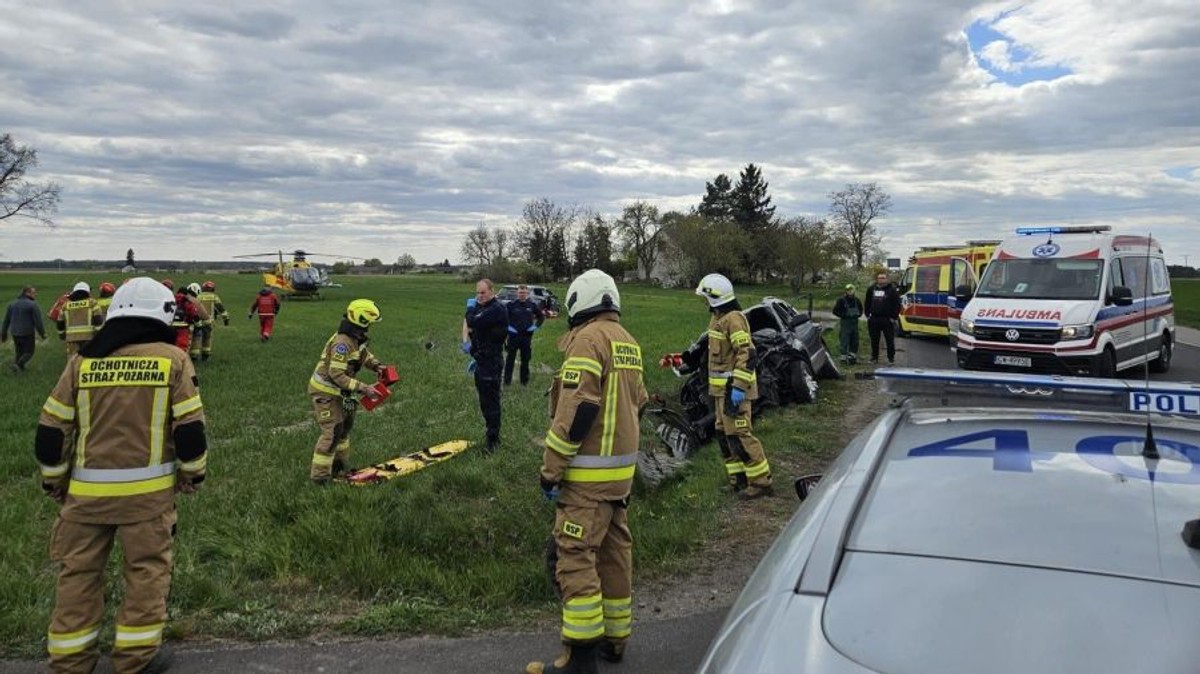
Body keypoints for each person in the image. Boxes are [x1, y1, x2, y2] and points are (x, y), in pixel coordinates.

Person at [35, 277, 207, 674]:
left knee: (77, 575)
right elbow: (191, 430)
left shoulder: (83, 361)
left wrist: (54, 481)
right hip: (147, 501)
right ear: (164, 314)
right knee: (146, 573)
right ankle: (136, 659)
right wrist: (192, 476)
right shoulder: (173, 359)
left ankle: (70, 659)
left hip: (84, 499)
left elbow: (51, 429)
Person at [526, 269, 648, 674]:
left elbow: (579, 408)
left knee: (574, 557)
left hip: (586, 483)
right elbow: (640, 403)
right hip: (619, 479)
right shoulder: (628, 341)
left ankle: (578, 660)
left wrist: (551, 469)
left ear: (579, 302)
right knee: (615, 557)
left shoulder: (586, 339)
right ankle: (615, 642)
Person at [695, 273, 772, 499]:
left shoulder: (734, 319)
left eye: (705, 297)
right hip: (720, 392)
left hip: (734, 391)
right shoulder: (717, 319)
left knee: (739, 433)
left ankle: (761, 482)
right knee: (724, 434)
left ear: (715, 298)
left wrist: (738, 386)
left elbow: (747, 353)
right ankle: (738, 480)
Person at [307, 299, 387, 484]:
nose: (370, 327)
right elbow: (336, 374)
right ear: (361, 320)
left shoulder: (356, 338)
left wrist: (377, 366)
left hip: (344, 393)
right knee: (332, 431)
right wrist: (363, 388)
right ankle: (319, 478)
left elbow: (364, 355)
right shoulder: (342, 343)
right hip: (326, 392)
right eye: (369, 322)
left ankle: (340, 466)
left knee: (345, 428)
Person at [461, 279, 509, 453]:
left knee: (491, 403)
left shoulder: (496, 309)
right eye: (477, 293)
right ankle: (490, 434)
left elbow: (472, 321)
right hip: (481, 360)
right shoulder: (484, 307)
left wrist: (470, 309)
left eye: (483, 293)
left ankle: (493, 442)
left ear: (492, 291)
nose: (479, 296)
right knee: (484, 401)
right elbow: (468, 324)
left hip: (491, 362)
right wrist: (468, 343)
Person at [504, 284, 545, 386]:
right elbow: (502, 317)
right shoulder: (511, 305)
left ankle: (524, 381)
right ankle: (507, 381)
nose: (522, 294)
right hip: (513, 337)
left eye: (524, 293)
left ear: (527, 293)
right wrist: (507, 327)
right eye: (520, 292)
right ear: (517, 293)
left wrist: (536, 326)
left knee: (525, 360)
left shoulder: (532, 305)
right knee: (510, 360)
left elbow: (541, 317)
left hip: (526, 338)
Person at [2, 285, 47, 372]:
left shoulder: (11, 304)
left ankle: (18, 370)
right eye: (33, 292)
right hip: (27, 332)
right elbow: (38, 322)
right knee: (29, 352)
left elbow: (6, 321)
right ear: (27, 293)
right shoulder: (33, 305)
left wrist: (3, 334)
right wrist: (43, 334)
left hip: (15, 332)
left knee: (19, 352)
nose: (35, 294)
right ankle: (17, 365)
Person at [864, 271, 901, 365]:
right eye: (880, 278)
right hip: (874, 319)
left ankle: (890, 359)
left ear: (887, 279)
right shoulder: (871, 289)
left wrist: (894, 317)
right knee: (874, 340)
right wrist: (867, 314)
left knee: (889, 340)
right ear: (877, 279)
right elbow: (867, 302)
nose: (882, 280)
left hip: (887, 319)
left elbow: (897, 305)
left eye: (883, 278)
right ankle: (874, 358)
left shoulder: (892, 290)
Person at [57, 282, 104, 355]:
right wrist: (99, 336)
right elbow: (98, 320)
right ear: (87, 292)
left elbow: (60, 323)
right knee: (87, 362)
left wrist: (62, 336)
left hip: (71, 339)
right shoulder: (92, 303)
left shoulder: (65, 306)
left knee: (73, 362)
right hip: (89, 339)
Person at [190, 281, 230, 361]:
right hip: (208, 322)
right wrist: (226, 319)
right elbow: (221, 309)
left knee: (196, 338)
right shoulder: (214, 297)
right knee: (207, 339)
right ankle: (206, 355)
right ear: (213, 289)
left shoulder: (198, 296)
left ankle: (194, 355)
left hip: (198, 322)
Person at [170, 284, 209, 355]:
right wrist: (198, 324)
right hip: (183, 327)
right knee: (182, 345)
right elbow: (193, 313)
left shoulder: (170, 299)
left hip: (170, 326)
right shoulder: (187, 301)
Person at [831, 283, 864, 364]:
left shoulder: (857, 300)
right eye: (848, 290)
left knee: (855, 340)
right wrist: (843, 315)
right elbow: (835, 311)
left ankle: (852, 358)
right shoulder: (841, 300)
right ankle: (843, 359)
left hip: (854, 323)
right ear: (846, 291)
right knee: (844, 340)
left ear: (854, 291)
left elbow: (861, 310)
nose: (850, 292)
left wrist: (858, 314)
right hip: (845, 323)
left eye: (851, 290)